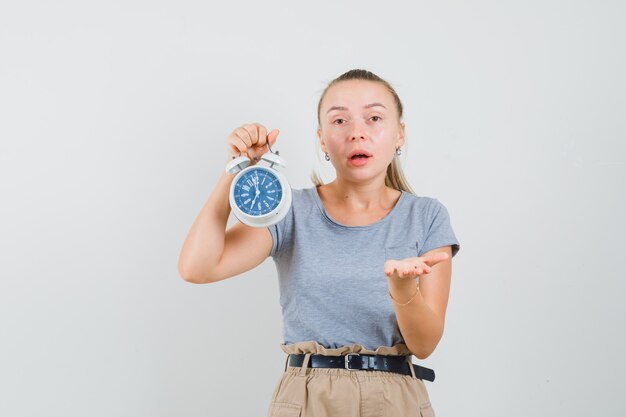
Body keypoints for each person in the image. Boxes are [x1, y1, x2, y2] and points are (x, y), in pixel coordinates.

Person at [178, 69, 460, 417]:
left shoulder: (427, 217)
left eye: (374, 118)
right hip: (307, 397)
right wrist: (236, 169)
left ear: (399, 134)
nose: (357, 132)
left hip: (395, 399)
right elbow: (197, 267)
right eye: (340, 120)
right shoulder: (290, 211)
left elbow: (425, 343)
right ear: (323, 140)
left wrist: (403, 290)